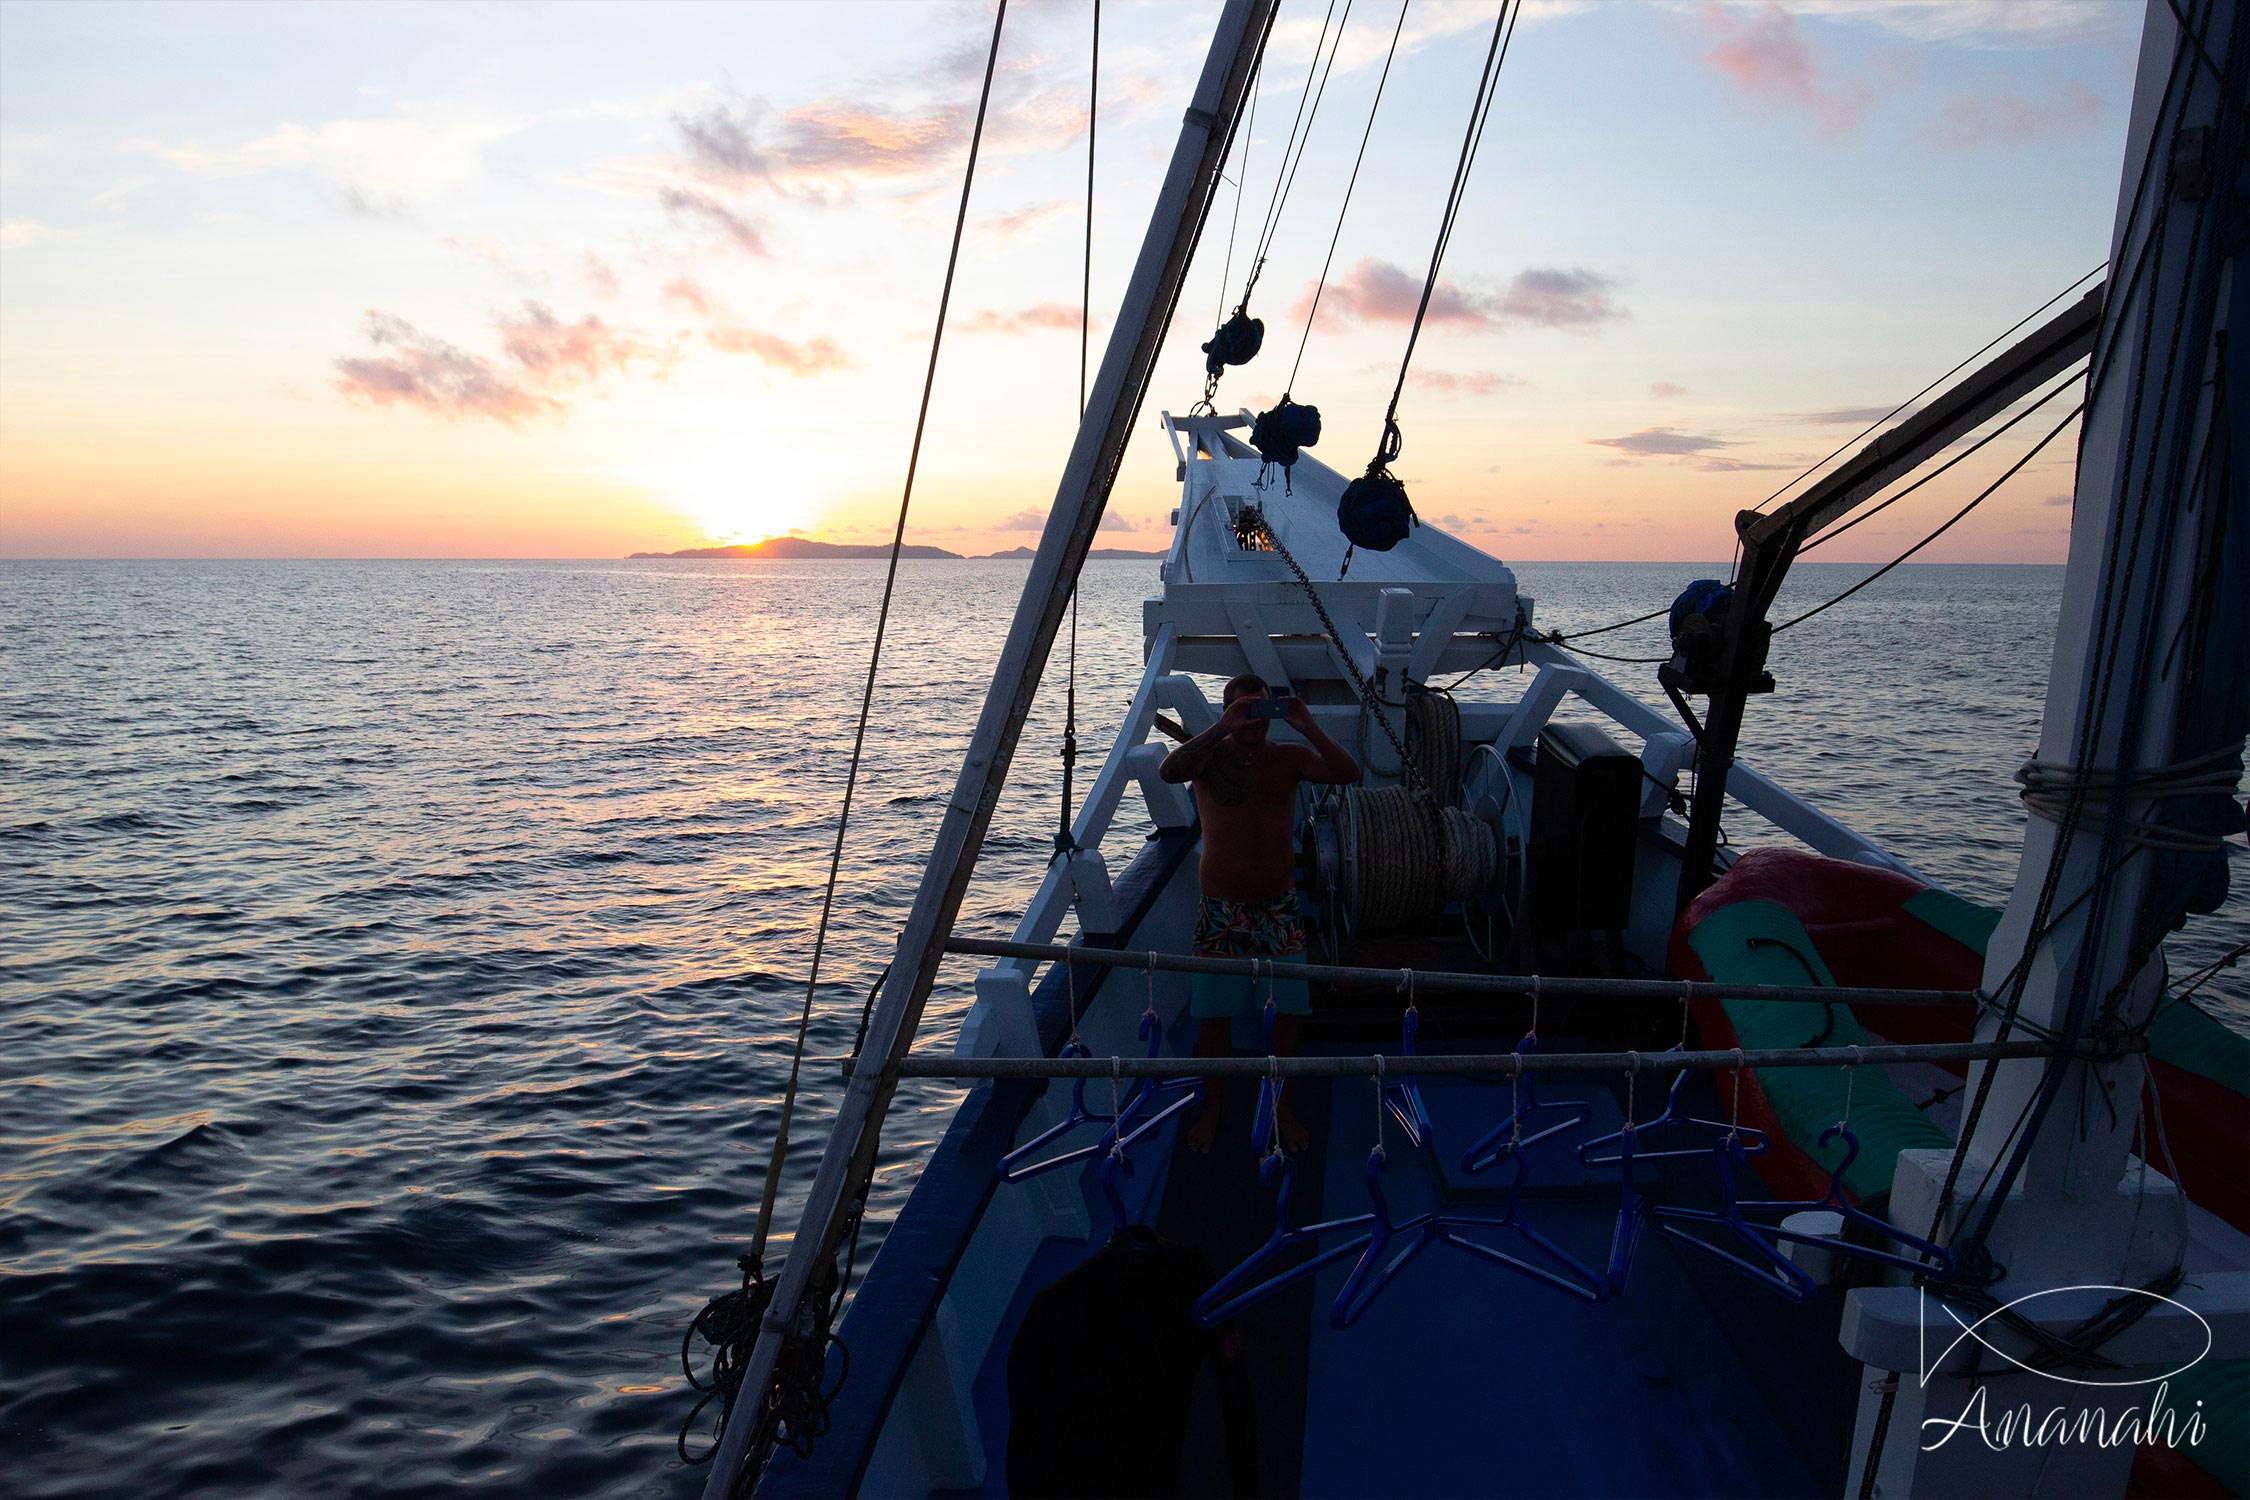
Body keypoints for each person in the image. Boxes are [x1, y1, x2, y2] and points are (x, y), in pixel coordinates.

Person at [1159, 673, 1360, 1152]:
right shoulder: (1209, 760)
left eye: (1261, 709)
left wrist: (1307, 726)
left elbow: (1347, 772)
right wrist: (1219, 728)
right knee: (1213, 1017)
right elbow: (1169, 772)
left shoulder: (1287, 760)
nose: (1254, 719)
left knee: (1287, 1013)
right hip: (1222, 910)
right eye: (1244, 709)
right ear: (1229, 712)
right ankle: (1213, 1105)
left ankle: (1281, 1105)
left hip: (1279, 909)